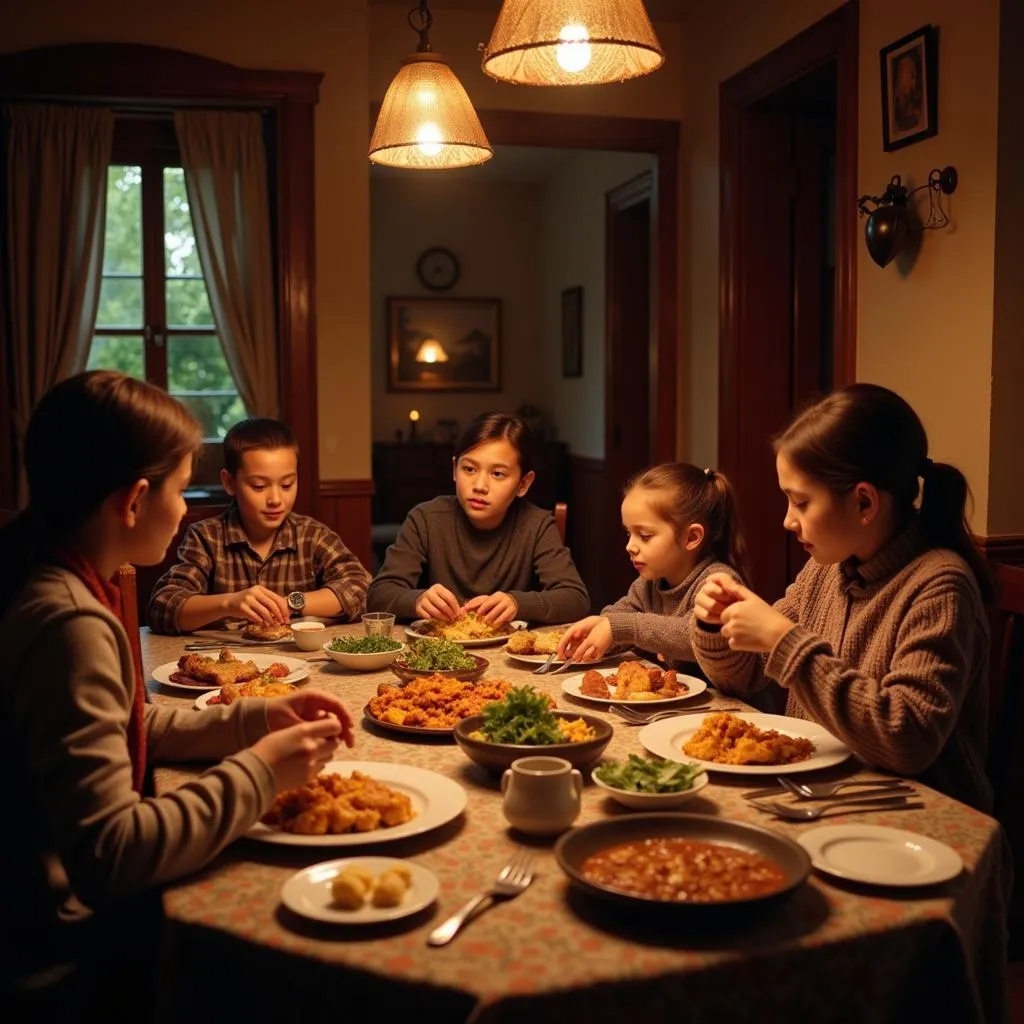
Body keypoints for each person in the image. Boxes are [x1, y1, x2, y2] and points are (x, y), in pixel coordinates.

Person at [0, 372, 353, 1010]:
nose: (186, 507)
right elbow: (112, 854)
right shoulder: (68, 624)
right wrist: (262, 773)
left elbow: (128, 725)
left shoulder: (46, 571)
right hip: (59, 955)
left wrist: (254, 720)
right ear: (135, 500)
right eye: (179, 486)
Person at [693, 383, 992, 811]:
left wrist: (786, 642)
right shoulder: (827, 569)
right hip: (819, 796)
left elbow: (907, 739)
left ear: (864, 502)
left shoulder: (940, 584)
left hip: (914, 820)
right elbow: (743, 677)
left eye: (800, 502)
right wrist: (716, 626)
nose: (787, 521)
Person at [148, 417, 371, 634]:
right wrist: (229, 603)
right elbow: (163, 606)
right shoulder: (206, 538)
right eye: (259, 486)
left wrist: (292, 602)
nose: (275, 499)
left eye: (286, 484)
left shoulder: (312, 536)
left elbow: (361, 587)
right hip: (228, 663)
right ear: (229, 482)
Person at [367, 412, 589, 625]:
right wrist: (416, 600)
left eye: (498, 474)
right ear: (455, 470)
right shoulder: (425, 519)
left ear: (524, 483)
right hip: (439, 652)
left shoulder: (537, 525)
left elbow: (576, 599)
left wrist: (517, 603)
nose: (480, 486)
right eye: (469, 469)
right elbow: (379, 595)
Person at [557, 463, 749, 671]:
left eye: (645, 536)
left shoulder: (718, 582)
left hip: (731, 703)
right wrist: (597, 627)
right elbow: (621, 615)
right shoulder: (648, 585)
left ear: (692, 537)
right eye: (629, 534)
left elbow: (693, 635)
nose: (630, 546)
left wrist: (621, 628)